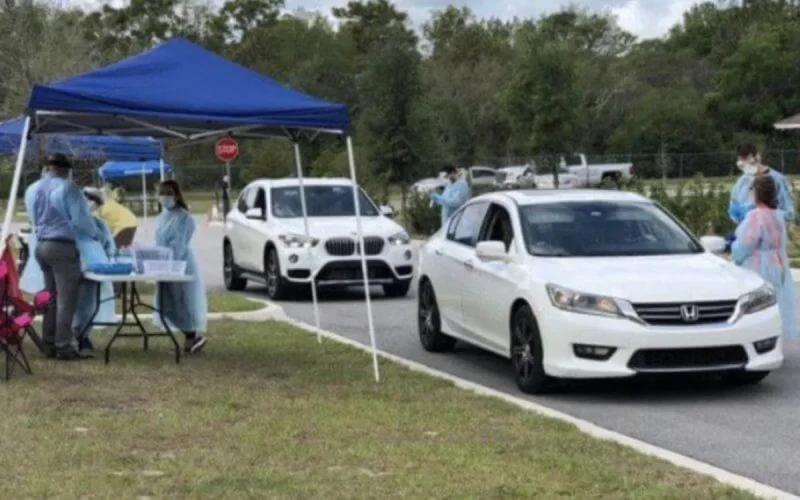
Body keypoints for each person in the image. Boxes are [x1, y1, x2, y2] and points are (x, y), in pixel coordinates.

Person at [29, 154, 104, 360]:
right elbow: (81, 221)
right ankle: (63, 345)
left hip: (41, 244)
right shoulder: (68, 189)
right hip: (62, 245)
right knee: (66, 299)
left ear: (47, 168)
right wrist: (96, 234)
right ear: (66, 170)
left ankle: (49, 340)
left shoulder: (33, 188)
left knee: (51, 296)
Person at [731, 175, 797, 339]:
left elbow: (745, 244)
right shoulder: (779, 216)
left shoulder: (755, 216)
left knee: (757, 305)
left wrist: (733, 248)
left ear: (756, 192)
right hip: (778, 265)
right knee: (778, 302)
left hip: (757, 266)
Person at [153, 180, 208, 354]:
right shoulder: (163, 216)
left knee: (181, 301)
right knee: (166, 303)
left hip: (179, 263)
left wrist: (169, 261)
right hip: (163, 263)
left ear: (176, 195)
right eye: (162, 193)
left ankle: (192, 337)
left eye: (168, 193)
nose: (164, 197)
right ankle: (190, 338)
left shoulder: (184, 217)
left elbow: (179, 245)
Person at [729, 144, 794, 225]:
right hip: (748, 230)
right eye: (742, 162)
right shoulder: (742, 182)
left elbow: (788, 213)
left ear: (757, 157)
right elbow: (734, 208)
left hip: (771, 230)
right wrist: (744, 218)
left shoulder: (777, 179)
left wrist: (765, 217)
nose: (746, 165)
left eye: (747, 160)